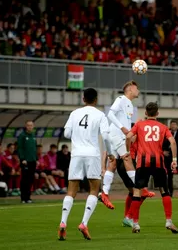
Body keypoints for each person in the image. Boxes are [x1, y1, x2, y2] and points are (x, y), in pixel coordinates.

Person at [58, 88, 113, 241]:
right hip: (92, 154)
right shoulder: (100, 115)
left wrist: (78, 134)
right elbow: (106, 137)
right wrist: (110, 153)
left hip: (76, 154)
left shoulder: (74, 113)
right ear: (96, 100)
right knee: (94, 188)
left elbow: (67, 134)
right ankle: (84, 223)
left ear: (83, 99)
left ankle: (63, 222)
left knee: (71, 190)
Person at [126, 102, 178, 234]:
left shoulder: (139, 124)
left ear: (145, 113)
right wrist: (174, 160)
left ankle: (136, 224)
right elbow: (172, 141)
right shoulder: (162, 127)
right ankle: (168, 221)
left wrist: (127, 151)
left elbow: (128, 136)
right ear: (157, 114)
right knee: (164, 191)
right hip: (158, 163)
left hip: (142, 163)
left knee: (137, 192)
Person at [100, 80, 154, 210]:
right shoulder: (121, 99)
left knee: (112, 164)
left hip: (116, 134)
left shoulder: (129, 104)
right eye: (136, 88)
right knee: (127, 158)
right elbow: (110, 114)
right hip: (117, 133)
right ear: (130, 89)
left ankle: (104, 193)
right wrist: (123, 128)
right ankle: (141, 188)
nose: (138, 91)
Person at [17, 120, 38, 203]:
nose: (30, 127)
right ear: (26, 126)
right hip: (25, 161)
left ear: (33, 126)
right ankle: (23, 197)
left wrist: (36, 159)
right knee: (24, 180)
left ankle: (28, 197)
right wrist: (22, 158)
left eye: (31, 125)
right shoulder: (22, 136)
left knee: (30, 179)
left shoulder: (33, 136)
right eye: (28, 125)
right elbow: (20, 148)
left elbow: (34, 148)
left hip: (33, 160)